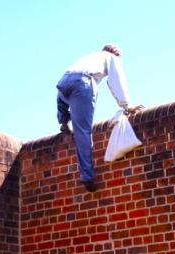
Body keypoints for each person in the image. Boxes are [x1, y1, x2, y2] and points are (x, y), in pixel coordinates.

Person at [56, 44, 143, 192]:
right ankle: (87, 177)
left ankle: (63, 121)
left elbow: (67, 82)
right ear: (114, 53)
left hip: (64, 82)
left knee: (63, 103)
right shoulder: (111, 58)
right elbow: (116, 81)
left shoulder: (91, 57)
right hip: (82, 83)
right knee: (83, 131)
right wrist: (126, 106)